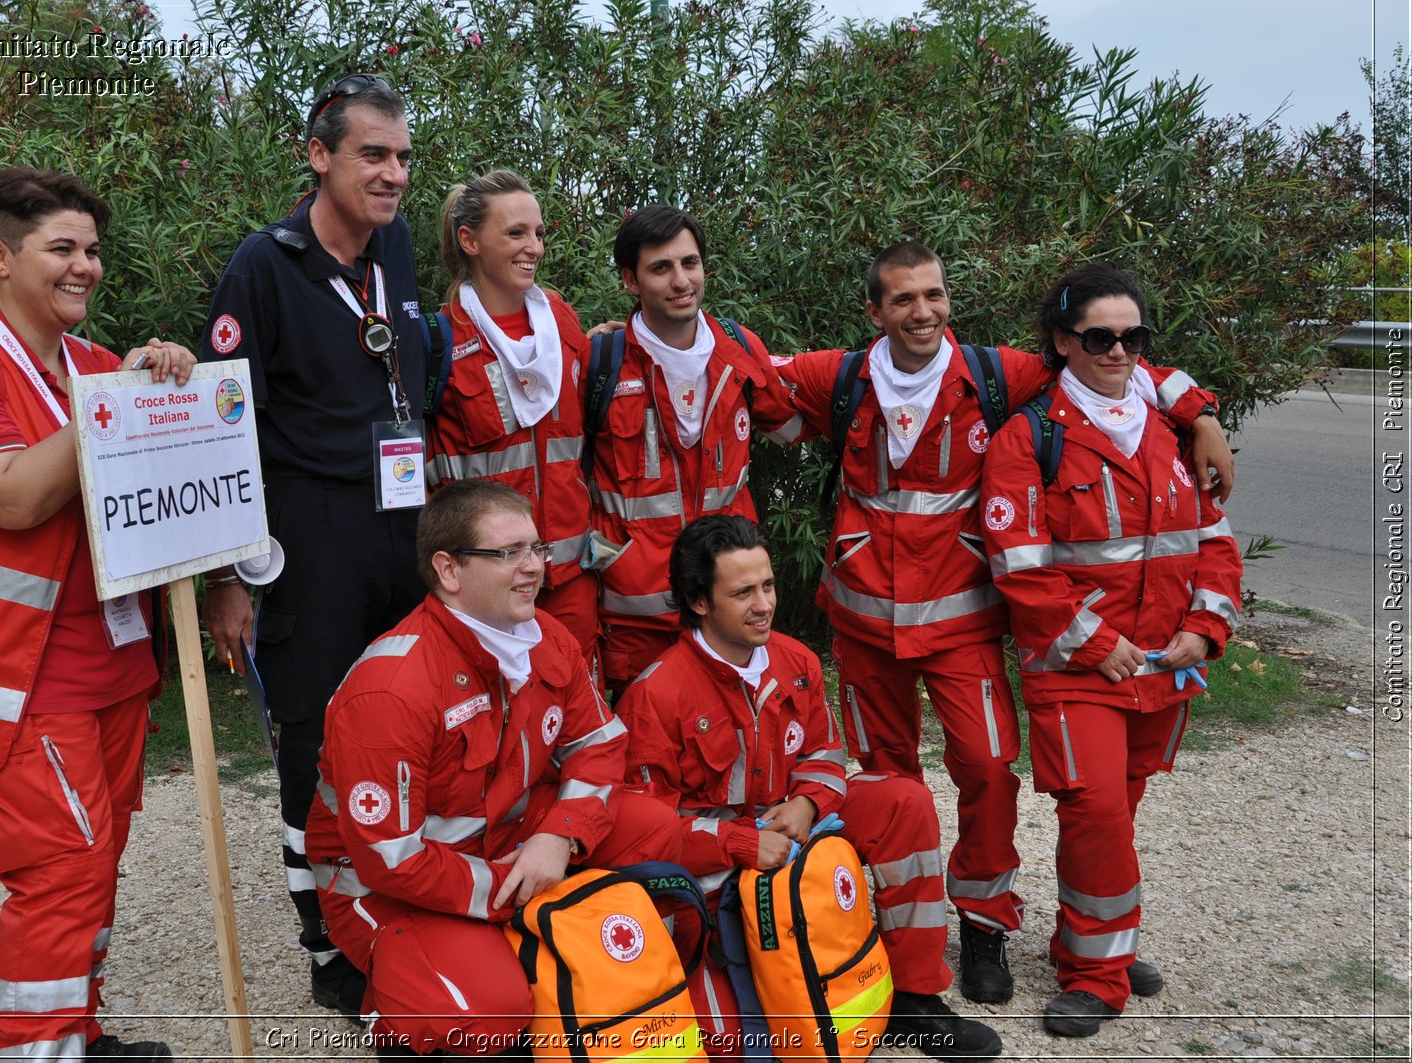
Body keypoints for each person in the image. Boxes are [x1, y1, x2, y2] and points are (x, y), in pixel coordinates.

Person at [772, 241, 1234, 1004]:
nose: (922, 310)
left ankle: (984, 924)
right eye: (903, 299)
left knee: (988, 771)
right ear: (875, 311)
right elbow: (744, 375)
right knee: (889, 782)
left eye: (934, 294)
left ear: (949, 297)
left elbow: (1109, 367)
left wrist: (1201, 413)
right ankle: (896, 928)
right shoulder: (843, 377)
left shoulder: (997, 375)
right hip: (863, 626)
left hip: (962, 625)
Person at [0, 165, 196, 1060]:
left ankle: (78, 1031)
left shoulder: (94, 363)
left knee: (97, 865)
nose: (85, 267)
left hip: (115, 662)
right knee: (59, 876)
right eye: (62, 248)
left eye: (93, 251)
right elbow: (14, 498)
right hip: (19, 675)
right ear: (0, 255)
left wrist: (161, 379)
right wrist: (113, 404)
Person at [303, 479, 685, 1055]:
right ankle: (399, 1003)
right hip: (386, 887)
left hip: (508, 842)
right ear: (448, 570)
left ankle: (580, 973)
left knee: (656, 829)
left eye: (537, 548)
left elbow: (599, 746)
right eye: (510, 553)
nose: (535, 568)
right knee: (487, 1016)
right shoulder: (391, 689)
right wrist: (512, 889)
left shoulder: (544, 638)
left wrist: (559, 838)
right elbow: (388, 860)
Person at [197, 74, 428, 1013]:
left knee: (407, 719)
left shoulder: (398, 246)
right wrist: (225, 573)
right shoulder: (264, 265)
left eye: (404, 157)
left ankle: (401, 904)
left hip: (402, 523)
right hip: (309, 530)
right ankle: (325, 940)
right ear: (318, 155)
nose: (393, 174)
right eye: (373, 154)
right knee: (315, 736)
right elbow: (220, 423)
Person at [621, 515, 1003, 1063]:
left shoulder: (795, 659)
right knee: (733, 1042)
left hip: (798, 824)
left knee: (903, 801)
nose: (764, 604)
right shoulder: (655, 694)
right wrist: (739, 843)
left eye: (769, 585)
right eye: (743, 592)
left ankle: (915, 995)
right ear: (698, 601)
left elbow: (825, 753)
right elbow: (645, 830)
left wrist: (807, 801)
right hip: (714, 862)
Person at [980, 263, 1241, 1036]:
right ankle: (1095, 974)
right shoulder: (1028, 440)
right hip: (1077, 667)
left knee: (1120, 811)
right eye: (1100, 336)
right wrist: (1095, 643)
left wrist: (1208, 625)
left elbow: (1216, 540)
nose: (1119, 351)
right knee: (1093, 808)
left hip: (1166, 664)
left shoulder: (1174, 428)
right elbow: (1019, 568)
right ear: (1064, 342)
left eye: (1134, 337)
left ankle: (1097, 938)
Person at [589, 205, 804, 697]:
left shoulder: (740, 349)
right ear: (631, 279)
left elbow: (794, 418)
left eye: (690, 263)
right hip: (634, 612)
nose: (681, 280)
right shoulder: (599, 364)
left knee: (732, 748)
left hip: (726, 605)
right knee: (640, 754)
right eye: (661, 268)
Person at [428, 169, 598, 657]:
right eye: (516, 233)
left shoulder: (561, 320)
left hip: (567, 576)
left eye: (539, 233)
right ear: (470, 240)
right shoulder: (441, 339)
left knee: (572, 716)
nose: (535, 247)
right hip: (485, 584)